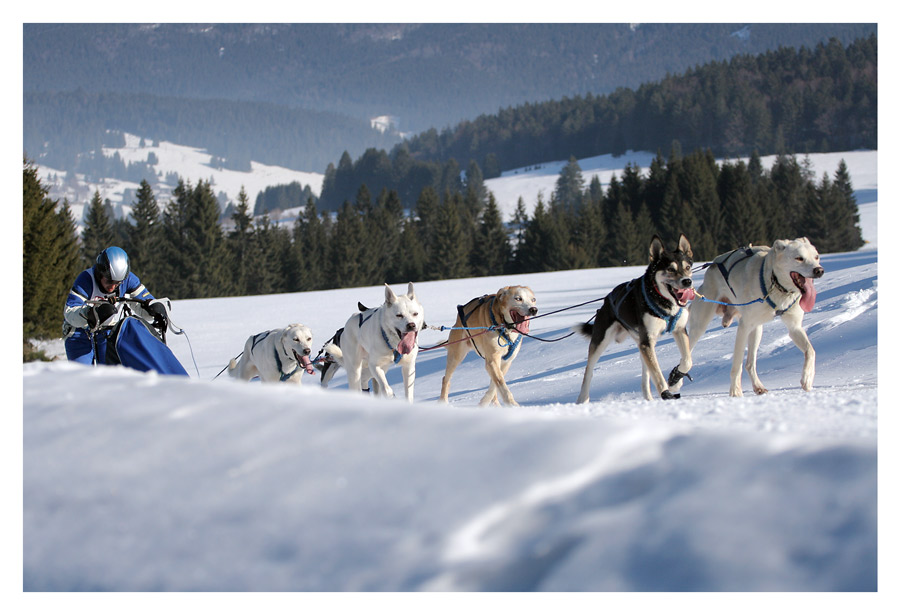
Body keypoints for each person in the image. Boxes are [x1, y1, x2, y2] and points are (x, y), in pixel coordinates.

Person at [63, 246, 164, 365]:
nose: (112, 287)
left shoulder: (128, 279)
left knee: (110, 376)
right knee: (81, 375)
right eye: (109, 281)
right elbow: (69, 312)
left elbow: (143, 300)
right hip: (79, 333)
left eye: (117, 284)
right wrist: (91, 313)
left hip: (106, 333)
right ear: (100, 273)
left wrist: (153, 309)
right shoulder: (85, 280)